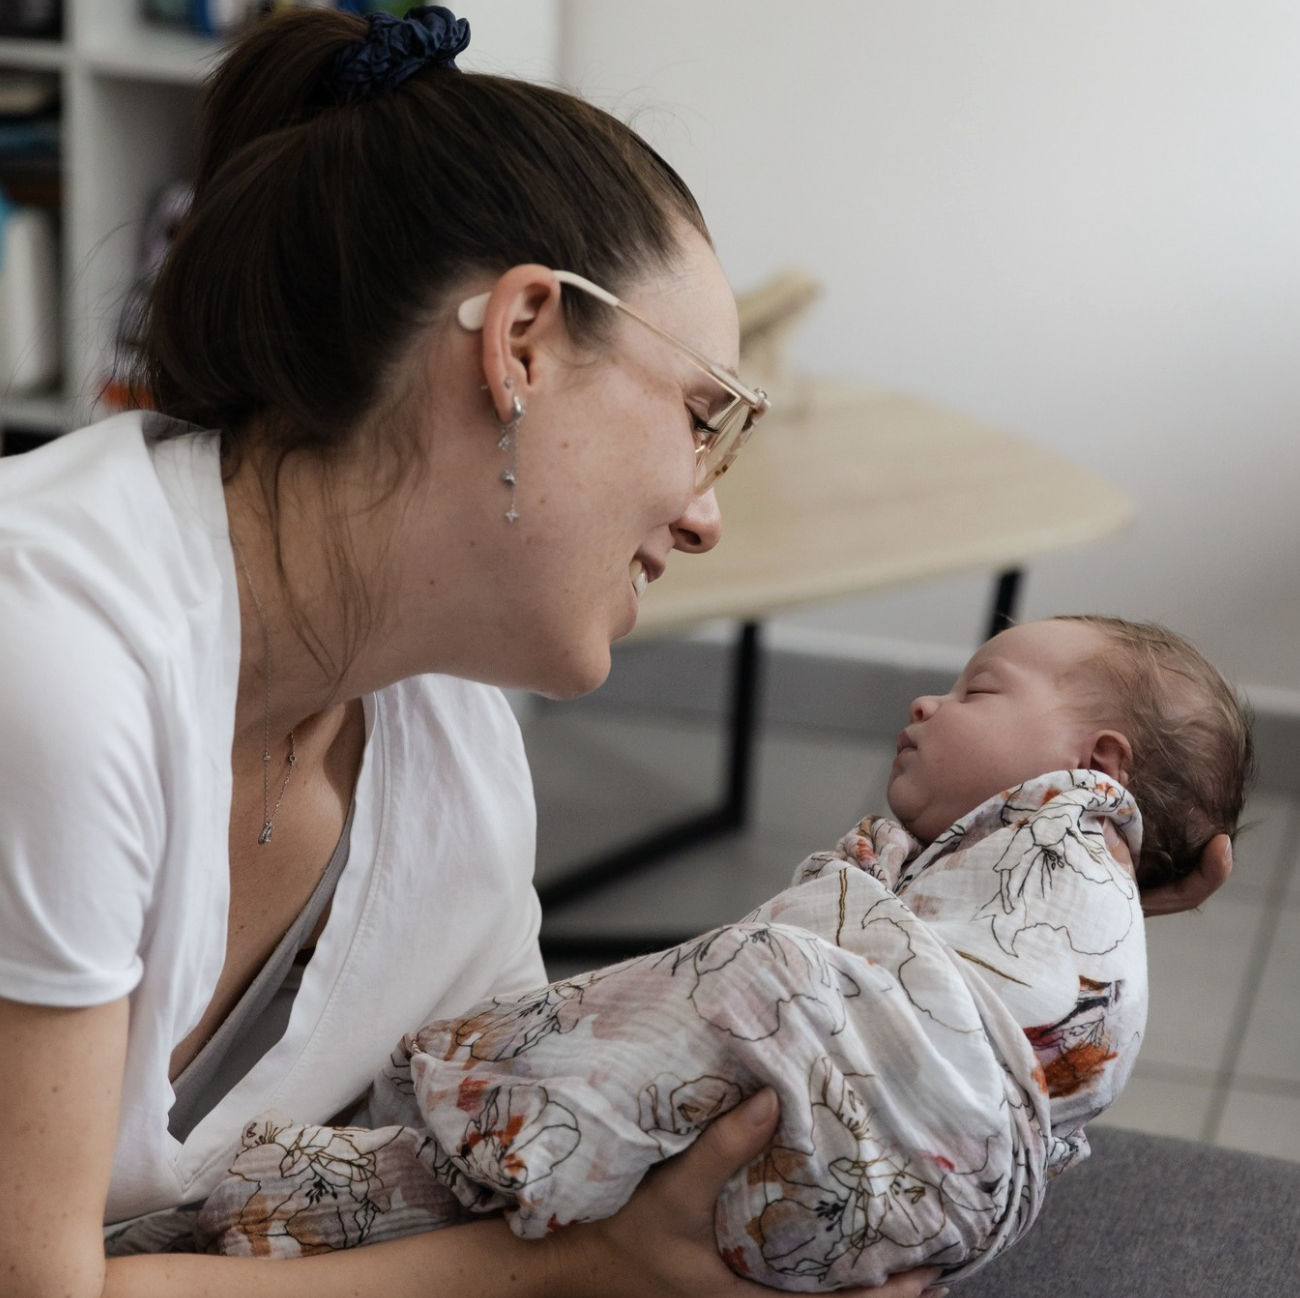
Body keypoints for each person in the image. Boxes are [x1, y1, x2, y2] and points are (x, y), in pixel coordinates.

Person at [0, 6, 1232, 1297]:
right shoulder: (58, 657)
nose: (706, 512)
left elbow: (496, 1150)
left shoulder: (447, 736)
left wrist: (1035, 897)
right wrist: (587, 1268)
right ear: (521, 339)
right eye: (704, 416)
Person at [191, 616, 1253, 1290]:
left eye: (979, 691)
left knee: (747, 986)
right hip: (923, 1197)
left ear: (1095, 762)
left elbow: (906, 979)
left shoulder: (1072, 820)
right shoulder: (1072, 898)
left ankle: (440, 1114)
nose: (927, 702)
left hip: (913, 1105)